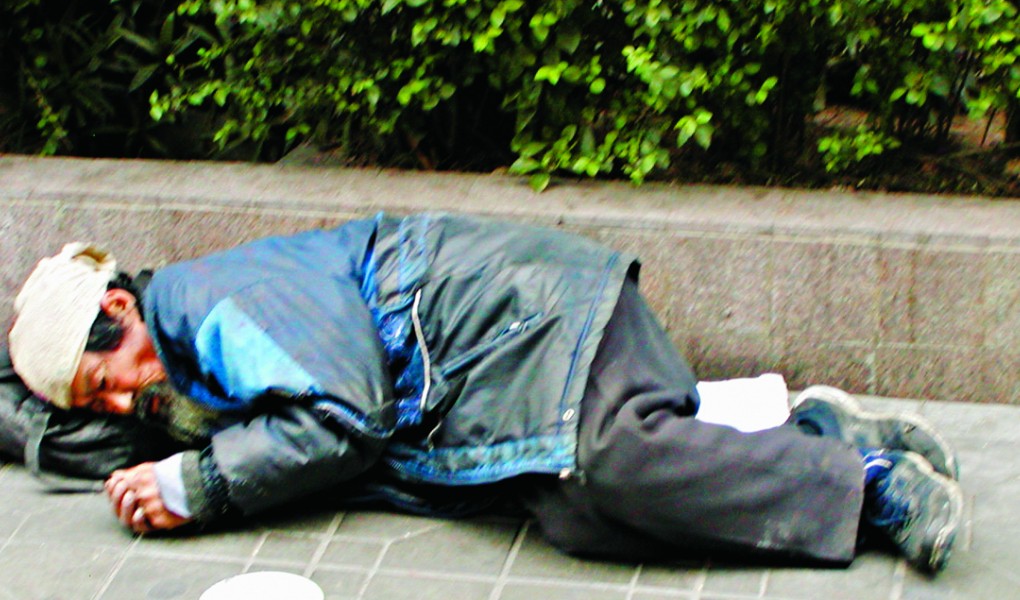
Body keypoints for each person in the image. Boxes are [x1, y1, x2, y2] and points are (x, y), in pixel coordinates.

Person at [5, 212, 964, 574]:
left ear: (123, 309)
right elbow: (41, 411)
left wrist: (199, 486)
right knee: (579, 517)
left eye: (107, 380)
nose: (118, 405)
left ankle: (867, 481)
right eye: (94, 404)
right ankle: (809, 429)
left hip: (524, 317)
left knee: (615, 464)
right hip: (492, 377)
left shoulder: (216, 304)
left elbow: (345, 413)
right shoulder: (170, 363)